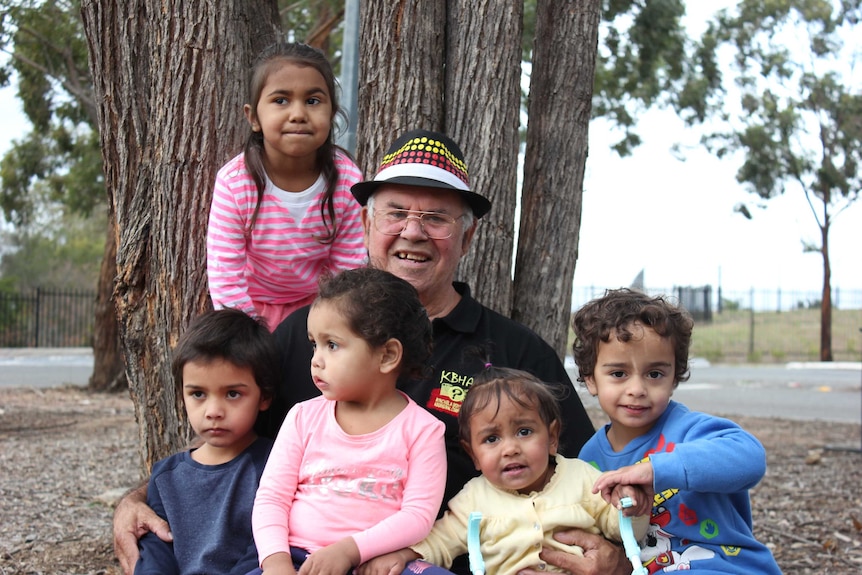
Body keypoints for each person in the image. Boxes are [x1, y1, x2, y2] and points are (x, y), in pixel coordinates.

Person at [113, 129, 632, 575]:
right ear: (365, 225)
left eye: (436, 217)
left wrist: (621, 555)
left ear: (466, 238)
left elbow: (591, 474)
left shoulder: (515, 351)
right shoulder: (301, 337)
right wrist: (142, 498)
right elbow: (230, 438)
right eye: (396, 213)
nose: (413, 231)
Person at [248, 267, 446, 575]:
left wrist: (350, 550)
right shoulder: (303, 417)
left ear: (387, 356)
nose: (316, 359)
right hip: (299, 558)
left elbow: (418, 516)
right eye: (314, 343)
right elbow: (272, 498)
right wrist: (275, 562)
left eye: (333, 345)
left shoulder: (423, 430)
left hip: (376, 563)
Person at [360, 366, 648, 575]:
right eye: (491, 439)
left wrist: (632, 506)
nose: (509, 449)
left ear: (551, 437)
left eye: (524, 432)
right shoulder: (473, 499)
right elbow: (441, 541)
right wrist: (404, 554)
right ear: (473, 455)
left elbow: (620, 526)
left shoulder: (582, 478)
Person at [573, 288, 782, 574]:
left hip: (724, 566)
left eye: (655, 374)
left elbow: (750, 457)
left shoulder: (690, 430)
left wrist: (656, 470)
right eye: (618, 374)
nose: (636, 390)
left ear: (674, 378)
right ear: (591, 379)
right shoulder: (590, 457)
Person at [206, 42, 366, 331]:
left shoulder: (347, 180)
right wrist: (251, 335)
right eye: (281, 100)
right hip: (250, 310)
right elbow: (225, 276)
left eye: (313, 101)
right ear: (253, 117)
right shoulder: (235, 183)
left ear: (331, 113)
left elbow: (349, 270)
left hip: (320, 308)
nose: (298, 114)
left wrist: (327, 328)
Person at [134, 308, 279, 575]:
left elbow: (265, 544)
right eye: (198, 394)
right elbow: (156, 547)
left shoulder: (274, 465)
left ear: (264, 397)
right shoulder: (165, 476)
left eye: (233, 394)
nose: (213, 411)